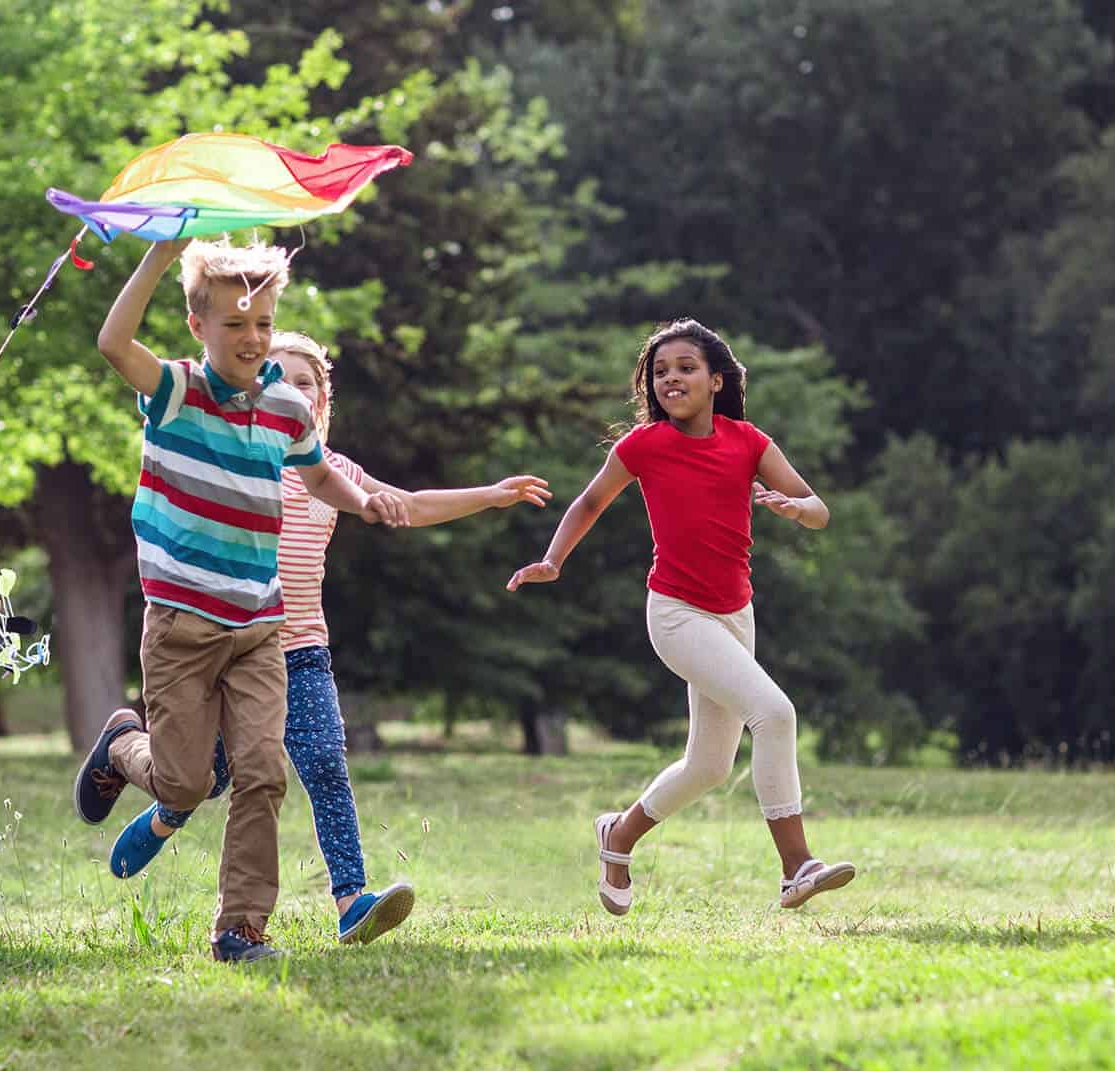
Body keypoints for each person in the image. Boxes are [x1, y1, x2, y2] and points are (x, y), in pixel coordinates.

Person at [108, 330, 550, 945]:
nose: (293, 389)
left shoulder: (334, 472)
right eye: (279, 377)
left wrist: (490, 496)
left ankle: (350, 901)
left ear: (321, 401)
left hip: (299, 650)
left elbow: (409, 504)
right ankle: (134, 765)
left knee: (322, 765)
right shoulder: (236, 454)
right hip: (222, 644)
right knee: (202, 778)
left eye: (306, 382)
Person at [69, 237, 407, 963]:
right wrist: (159, 257)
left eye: (263, 323)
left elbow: (319, 477)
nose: (253, 338)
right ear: (199, 326)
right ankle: (124, 745)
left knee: (263, 772)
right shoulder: (176, 390)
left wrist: (365, 502)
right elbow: (112, 343)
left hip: (259, 625)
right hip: (182, 626)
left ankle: (240, 928)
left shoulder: (287, 407)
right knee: (186, 783)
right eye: (235, 324)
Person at [506, 318, 856, 915]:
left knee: (709, 765)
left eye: (686, 368)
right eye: (660, 371)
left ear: (716, 380)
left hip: (735, 614)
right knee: (775, 714)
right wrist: (552, 560)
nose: (670, 379)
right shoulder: (643, 446)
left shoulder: (749, 442)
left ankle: (618, 836)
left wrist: (796, 510)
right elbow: (590, 501)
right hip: (676, 614)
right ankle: (796, 867)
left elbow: (818, 508)